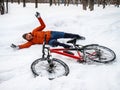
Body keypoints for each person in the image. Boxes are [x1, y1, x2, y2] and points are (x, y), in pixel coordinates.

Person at [11, 12, 85, 49]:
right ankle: (68, 47)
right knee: (54, 43)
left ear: (28, 33)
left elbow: (43, 26)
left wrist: (39, 18)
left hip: (51, 34)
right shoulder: (31, 42)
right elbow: (24, 45)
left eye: (28, 35)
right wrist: (18, 46)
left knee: (65, 34)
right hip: (48, 41)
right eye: (27, 37)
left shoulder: (34, 31)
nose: (29, 36)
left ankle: (78, 36)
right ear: (27, 39)